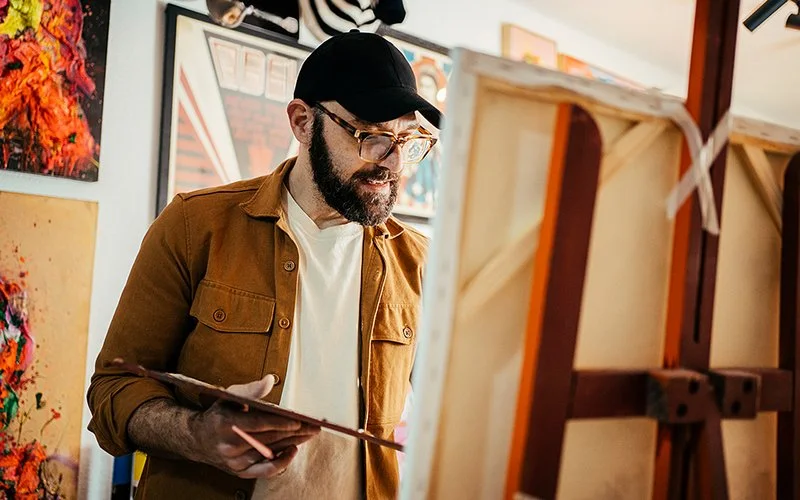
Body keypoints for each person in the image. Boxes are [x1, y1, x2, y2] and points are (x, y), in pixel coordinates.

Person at [86, 29, 442, 500]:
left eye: (407, 140)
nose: (393, 163)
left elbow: (453, 415)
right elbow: (113, 388)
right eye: (371, 137)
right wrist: (198, 435)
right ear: (302, 122)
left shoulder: (419, 263)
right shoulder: (194, 225)